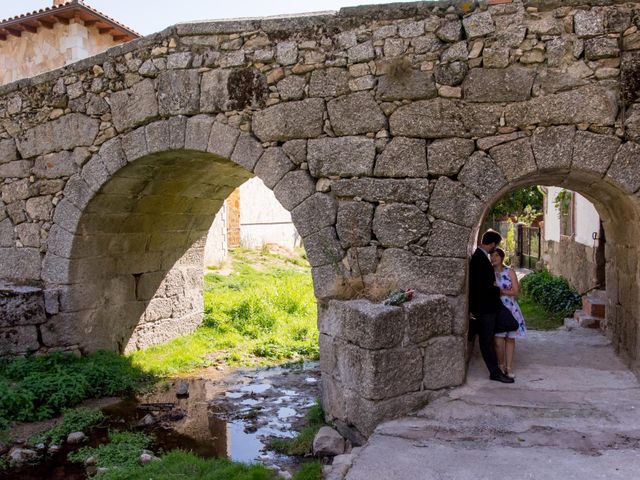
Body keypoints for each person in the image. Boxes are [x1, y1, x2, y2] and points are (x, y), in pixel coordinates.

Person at [469, 230, 519, 384]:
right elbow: (481, 286)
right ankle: (495, 372)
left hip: (490, 306)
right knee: (486, 340)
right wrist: (497, 289)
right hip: (485, 308)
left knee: (511, 324)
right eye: (495, 246)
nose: (494, 249)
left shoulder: (481, 257)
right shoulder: (479, 258)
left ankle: (477, 327)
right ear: (491, 244)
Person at [491, 248, 527, 379]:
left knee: (510, 338)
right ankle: (500, 365)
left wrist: (501, 291)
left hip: (510, 308)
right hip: (497, 309)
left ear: (501, 257)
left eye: (496, 256)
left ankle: (509, 367)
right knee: (498, 340)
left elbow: (516, 291)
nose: (493, 258)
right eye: (492, 256)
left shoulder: (510, 272)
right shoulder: (490, 273)